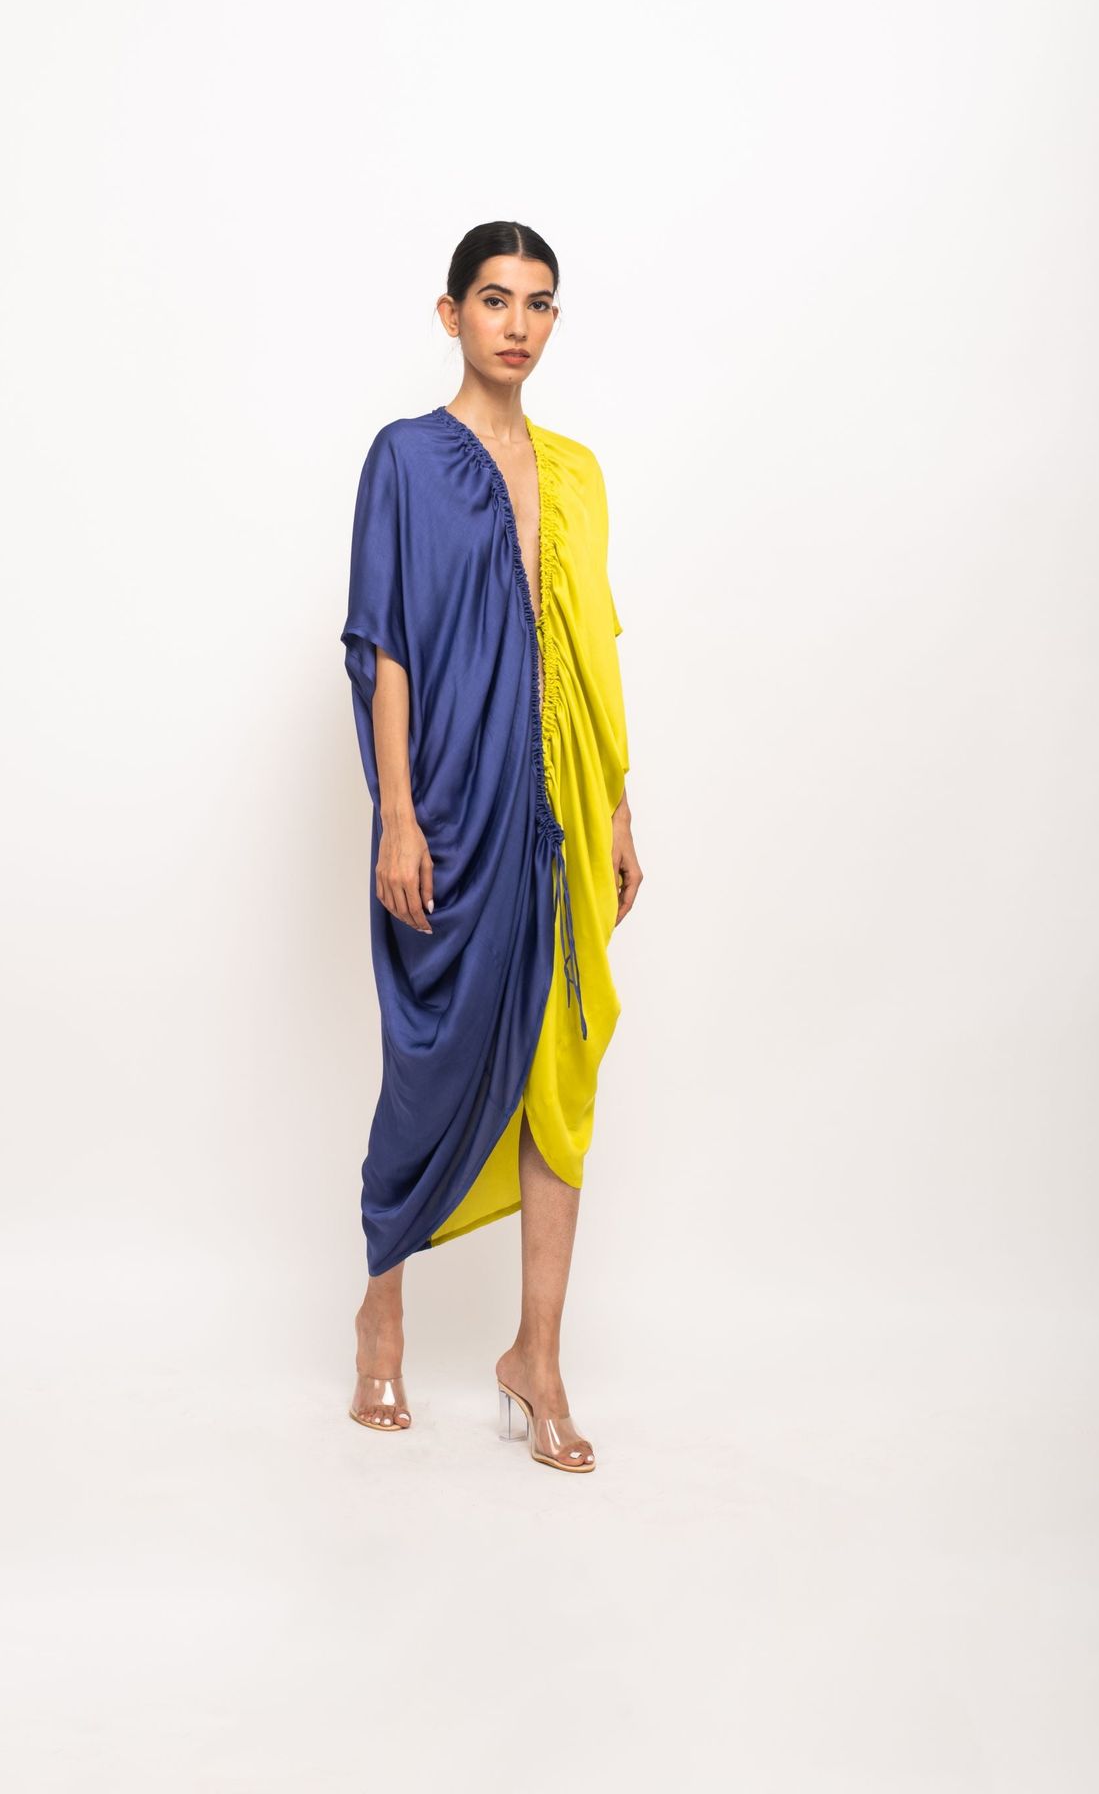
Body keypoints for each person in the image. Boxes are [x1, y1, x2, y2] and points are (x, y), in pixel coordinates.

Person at [339, 221, 642, 1473]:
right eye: (495, 299)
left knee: (560, 1069)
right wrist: (397, 813)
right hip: (454, 807)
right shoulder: (405, 458)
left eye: (539, 303)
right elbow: (385, 643)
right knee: (433, 1062)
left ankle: (538, 1357)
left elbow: (593, 646)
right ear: (451, 312)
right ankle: (382, 1306)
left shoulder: (577, 471)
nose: (517, 324)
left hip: (562, 805)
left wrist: (617, 806)